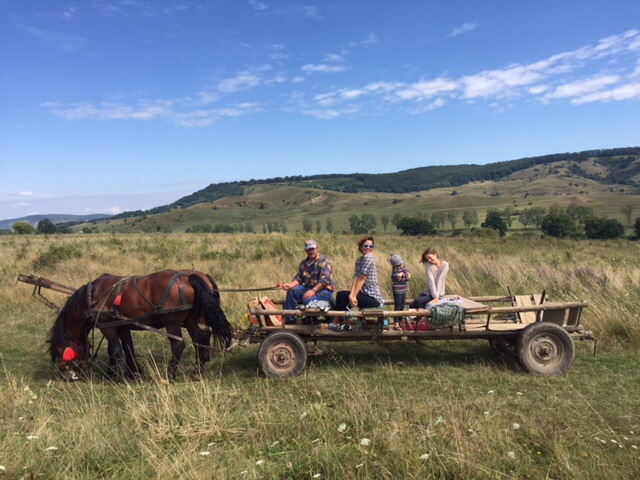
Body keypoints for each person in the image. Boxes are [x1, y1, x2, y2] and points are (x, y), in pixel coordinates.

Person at [331, 236, 384, 330]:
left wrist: (353, 296)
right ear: (361, 247)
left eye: (371, 246)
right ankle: (345, 324)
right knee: (341, 295)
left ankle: (338, 322)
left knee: (342, 296)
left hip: (373, 297)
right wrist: (352, 294)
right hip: (364, 294)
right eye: (366, 245)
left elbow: (362, 279)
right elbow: (356, 278)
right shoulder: (359, 260)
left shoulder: (369, 258)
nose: (369, 248)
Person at [282, 239, 335, 324]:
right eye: (309, 249)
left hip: (324, 290)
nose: (311, 251)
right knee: (291, 292)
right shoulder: (304, 263)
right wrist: (290, 285)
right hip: (308, 288)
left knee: (307, 299)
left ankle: (309, 322)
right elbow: (299, 278)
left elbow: (324, 281)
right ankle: (290, 319)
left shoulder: (324, 262)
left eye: (313, 249)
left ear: (317, 249)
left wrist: (313, 291)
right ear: (305, 250)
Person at [389, 253, 411, 330]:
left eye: (401, 264)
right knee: (397, 307)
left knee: (402, 306)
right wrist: (405, 276)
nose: (400, 266)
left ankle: (401, 321)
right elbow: (405, 277)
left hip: (404, 289)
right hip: (397, 291)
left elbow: (406, 277)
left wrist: (404, 276)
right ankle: (396, 323)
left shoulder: (403, 269)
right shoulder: (395, 271)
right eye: (398, 265)